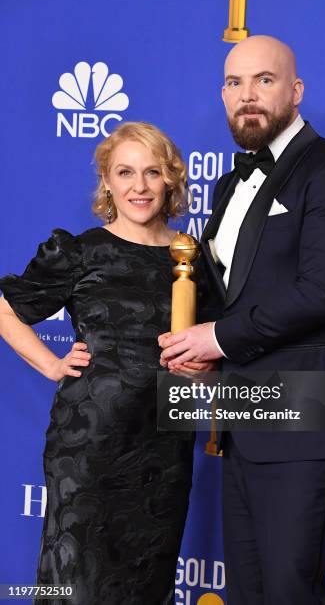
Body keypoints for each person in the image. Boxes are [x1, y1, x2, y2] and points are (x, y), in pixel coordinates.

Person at [159, 36, 325, 604]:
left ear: (296, 90)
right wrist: (199, 346)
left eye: (264, 80)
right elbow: (230, 293)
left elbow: (322, 293)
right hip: (243, 416)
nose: (247, 96)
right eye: (234, 83)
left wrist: (217, 338)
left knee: (288, 591)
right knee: (250, 591)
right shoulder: (232, 184)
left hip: (311, 415)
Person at [0, 121, 207, 605]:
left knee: (147, 583)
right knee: (79, 584)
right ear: (108, 182)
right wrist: (51, 364)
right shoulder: (82, 250)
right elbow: (7, 311)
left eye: (152, 172)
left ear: (171, 179)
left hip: (163, 449)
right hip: (88, 449)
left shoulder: (191, 257)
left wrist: (203, 370)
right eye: (125, 172)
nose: (139, 186)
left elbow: (211, 343)